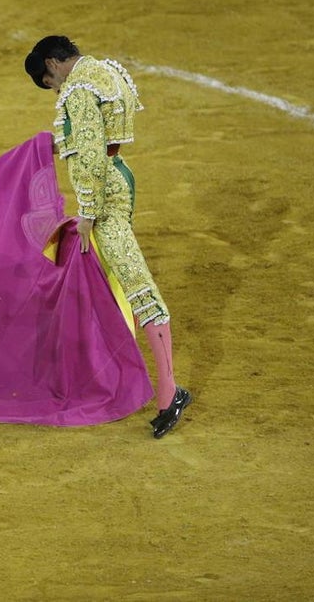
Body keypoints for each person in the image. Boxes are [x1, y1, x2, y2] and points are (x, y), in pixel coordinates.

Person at [24, 35, 192, 438]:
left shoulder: (79, 90)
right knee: (109, 276)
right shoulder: (105, 70)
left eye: (49, 81)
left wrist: (86, 213)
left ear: (53, 64)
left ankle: (169, 393)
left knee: (136, 284)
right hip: (122, 178)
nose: (55, 88)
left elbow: (91, 159)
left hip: (104, 195)